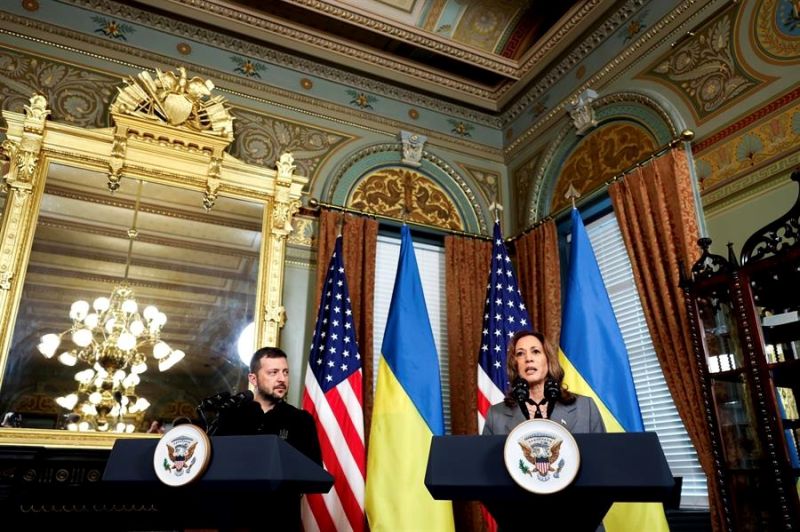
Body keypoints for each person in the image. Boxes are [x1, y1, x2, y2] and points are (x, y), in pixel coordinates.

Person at [482, 330, 606, 435]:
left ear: (548, 359)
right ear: (515, 365)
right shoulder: (496, 416)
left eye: (535, 351)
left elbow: (602, 460)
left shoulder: (585, 408)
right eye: (520, 354)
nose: (528, 359)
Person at [214, 346, 322, 466]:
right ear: (253, 379)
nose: (282, 379)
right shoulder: (230, 416)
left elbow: (314, 473)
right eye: (273, 373)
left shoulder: (302, 420)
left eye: (285, 372)